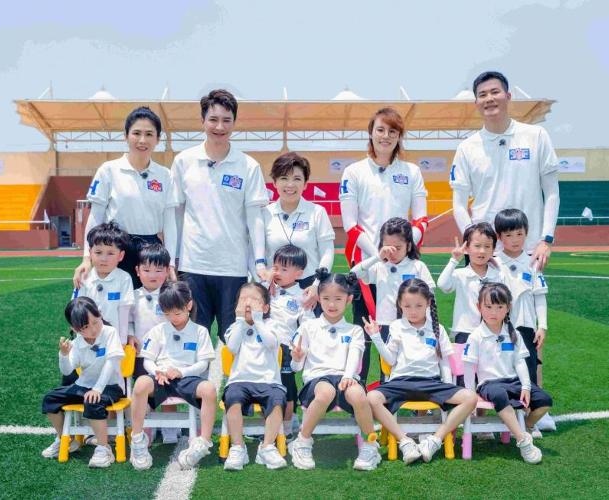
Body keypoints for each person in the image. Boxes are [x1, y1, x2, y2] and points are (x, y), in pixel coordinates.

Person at [170, 89, 269, 342]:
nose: (219, 126)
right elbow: (175, 214)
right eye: (213, 119)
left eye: (226, 120)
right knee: (192, 340)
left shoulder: (248, 165)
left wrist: (259, 262)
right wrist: (173, 259)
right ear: (202, 121)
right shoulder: (184, 161)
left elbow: (255, 217)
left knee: (234, 340)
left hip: (233, 269)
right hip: (193, 267)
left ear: (234, 123)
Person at [339, 107, 429, 382]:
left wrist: (401, 251)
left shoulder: (412, 172)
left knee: (402, 332)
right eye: (380, 130)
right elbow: (350, 225)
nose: (386, 136)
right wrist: (379, 254)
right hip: (367, 267)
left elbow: (421, 219)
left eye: (392, 131)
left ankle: (399, 390)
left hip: (403, 269)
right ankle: (358, 391)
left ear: (399, 136)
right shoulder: (353, 172)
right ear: (371, 133)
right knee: (365, 333)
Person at [450, 70, 560, 271]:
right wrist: (474, 239)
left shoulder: (536, 136)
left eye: (495, 92)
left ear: (508, 96)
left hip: (529, 248)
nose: (489, 98)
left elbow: (552, 192)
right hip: (485, 252)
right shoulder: (466, 148)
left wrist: (546, 239)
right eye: (482, 95)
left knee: (529, 293)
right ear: (476, 102)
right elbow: (458, 203)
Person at [365, 279, 477, 464]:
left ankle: (435, 440)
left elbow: (444, 362)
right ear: (400, 305)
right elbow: (390, 360)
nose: (413, 311)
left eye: (418, 305)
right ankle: (405, 441)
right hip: (401, 382)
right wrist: (376, 337)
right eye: (407, 306)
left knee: (470, 398)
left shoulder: (437, 328)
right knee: (371, 398)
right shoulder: (397, 326)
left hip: (431, 382)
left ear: (428, 303)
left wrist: (447, 387)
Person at [287, 269, 381, 471]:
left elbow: (355, 356)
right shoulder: (308, 327)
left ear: (349, 299)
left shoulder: (355, 330)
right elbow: (296, 367)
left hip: (346, 378)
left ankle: (370, 445)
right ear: (319, 298)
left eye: (338, 299)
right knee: (326, 391)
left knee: (358, 394)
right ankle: (302, 442)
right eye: (326, 298)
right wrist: (297, 357)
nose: (331, 304)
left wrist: (348, 376)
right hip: (317, 381)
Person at [74, 106, 177, 289]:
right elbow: (96, 216)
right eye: (136, 133)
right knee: (114, 304)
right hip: (116, 250)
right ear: (126, 136)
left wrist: (170, 263)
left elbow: (169, 222)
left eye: (149, 134)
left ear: (158, 139)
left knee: (149, 305)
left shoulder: (165, 175)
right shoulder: (108, 170)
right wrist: (87, 258)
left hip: (151, 253)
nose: (142, 140)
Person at [128, 282, 217, 471]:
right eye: (167, 314)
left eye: (177, 313)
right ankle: (137, 439)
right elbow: (147, 360)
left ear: (189, 305)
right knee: (141, 383)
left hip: (187, 377)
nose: (172, 318)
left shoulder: (200, 331)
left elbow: (203, 363)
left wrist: (181, 372)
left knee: (209, 389)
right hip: (161, 377)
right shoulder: (158, 330)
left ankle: (202, 443)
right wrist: (156, 371)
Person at [462, 282, 553, 464]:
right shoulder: (475, 337)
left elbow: (520, 362)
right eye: (488, 307)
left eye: (499, 307)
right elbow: (469, 368)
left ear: (508, 308)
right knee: (499, 395)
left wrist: (526, 386)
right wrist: (470, 394)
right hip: (489, 384)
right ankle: (523, 441)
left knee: (545, 400)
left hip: (513, 382)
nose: (493, 312)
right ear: (479, 307)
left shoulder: (514, 334)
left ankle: (525, 427)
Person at [41, 297, 125, 468]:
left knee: (92, 400)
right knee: (50, 399)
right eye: (86, 327)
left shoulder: (110, 333)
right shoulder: (76, 343)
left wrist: (97, 389)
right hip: (84, 386)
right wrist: (63, 355)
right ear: (75, 329)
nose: (93, 329)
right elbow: (67, 371)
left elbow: (111, 364)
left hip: (111, 386)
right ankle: (66, 439)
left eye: (96, 322)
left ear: (100, 314)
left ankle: (104, 448)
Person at [351, 217, 435, 383]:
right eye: (387, 247)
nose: (392, 252)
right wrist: (377, 257)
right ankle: (387, 395)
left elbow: (430, 296)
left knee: (412, 362)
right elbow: (354, 273)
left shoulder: (417, 266)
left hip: (413, 324)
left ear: (409, 246)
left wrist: (429, 322)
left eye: (398, 248)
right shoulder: (379, 266)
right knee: (387, 367)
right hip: (386, 324)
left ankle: (415, 395)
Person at [493, 208, 555, 432]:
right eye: (508, 235)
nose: (515, 240)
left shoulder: (533, 263)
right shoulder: (494, 263)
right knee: (502, 373)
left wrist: (542, 326)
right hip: (500, 329)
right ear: (499, 237)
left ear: (526, 233)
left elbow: (540, 297)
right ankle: (500, 420)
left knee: (528, 373)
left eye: (519, 234)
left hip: (526, 328)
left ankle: (528, 422)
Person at [222, 282, 288, 470]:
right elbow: (232, 347)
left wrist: (258, 321)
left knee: (277, 399)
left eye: (254, 300)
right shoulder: (235, 326)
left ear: (265, 307)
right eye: (243, 299)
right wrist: (241, 321)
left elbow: (271, 343)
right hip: (240, 381)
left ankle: (267, 447)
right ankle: (238, 447)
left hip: (268, 381)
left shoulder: (272, 325)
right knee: (232, 397)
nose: (248, 304)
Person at [263, 152, 335, 309]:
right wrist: (264, 282)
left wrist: (317, 284)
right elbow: (255, 254)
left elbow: (327, 252)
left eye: (297, 178)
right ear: (274, 182)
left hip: (309, 288)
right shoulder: (264, 214)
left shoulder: (317, 212)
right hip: (274, 289)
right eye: (284, 178)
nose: (290, 184)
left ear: (305, 183)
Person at [266, 244, 315, 437]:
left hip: (286, 347)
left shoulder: (302, 296)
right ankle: (270, 424)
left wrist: (299, 345)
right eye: (275, 267)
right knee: (266, 383)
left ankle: (287, 427)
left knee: (287, 385)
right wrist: (266, 282)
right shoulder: (268, 289)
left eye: (284, 269)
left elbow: (307, 323)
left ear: (299, 273)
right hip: (265, 346)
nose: (277, 273)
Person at [437, 222, 505, 348]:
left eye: (487, 246)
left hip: (492, 330)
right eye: (477, 246)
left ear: (493, 249)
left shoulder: (498, 275)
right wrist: (454, 260)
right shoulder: (460, 274)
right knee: (464, 361)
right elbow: (442, 284)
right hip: (465, 331)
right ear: (467, 248)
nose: (482, 251)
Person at [74, 221, 134, 345]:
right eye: (98, 252)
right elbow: (77, 310)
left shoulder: (124, 278)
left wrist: (122, 341)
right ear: (90, 252)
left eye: (110, 253)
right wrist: (81, 338)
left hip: (114, 341)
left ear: (121, 256)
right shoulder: (84, 277)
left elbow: (124, 311)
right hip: (88, 340)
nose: (103, 258)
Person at [129, 243, 171, 377]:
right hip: (141, 353)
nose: (152, 275)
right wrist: (130, 335)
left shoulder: (171, 296)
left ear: (167, 271)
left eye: (158, 271)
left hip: (165, 354)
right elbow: (129, 321)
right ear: (137, 271)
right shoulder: (133, 296)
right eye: (146, 270)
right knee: (141, 383)